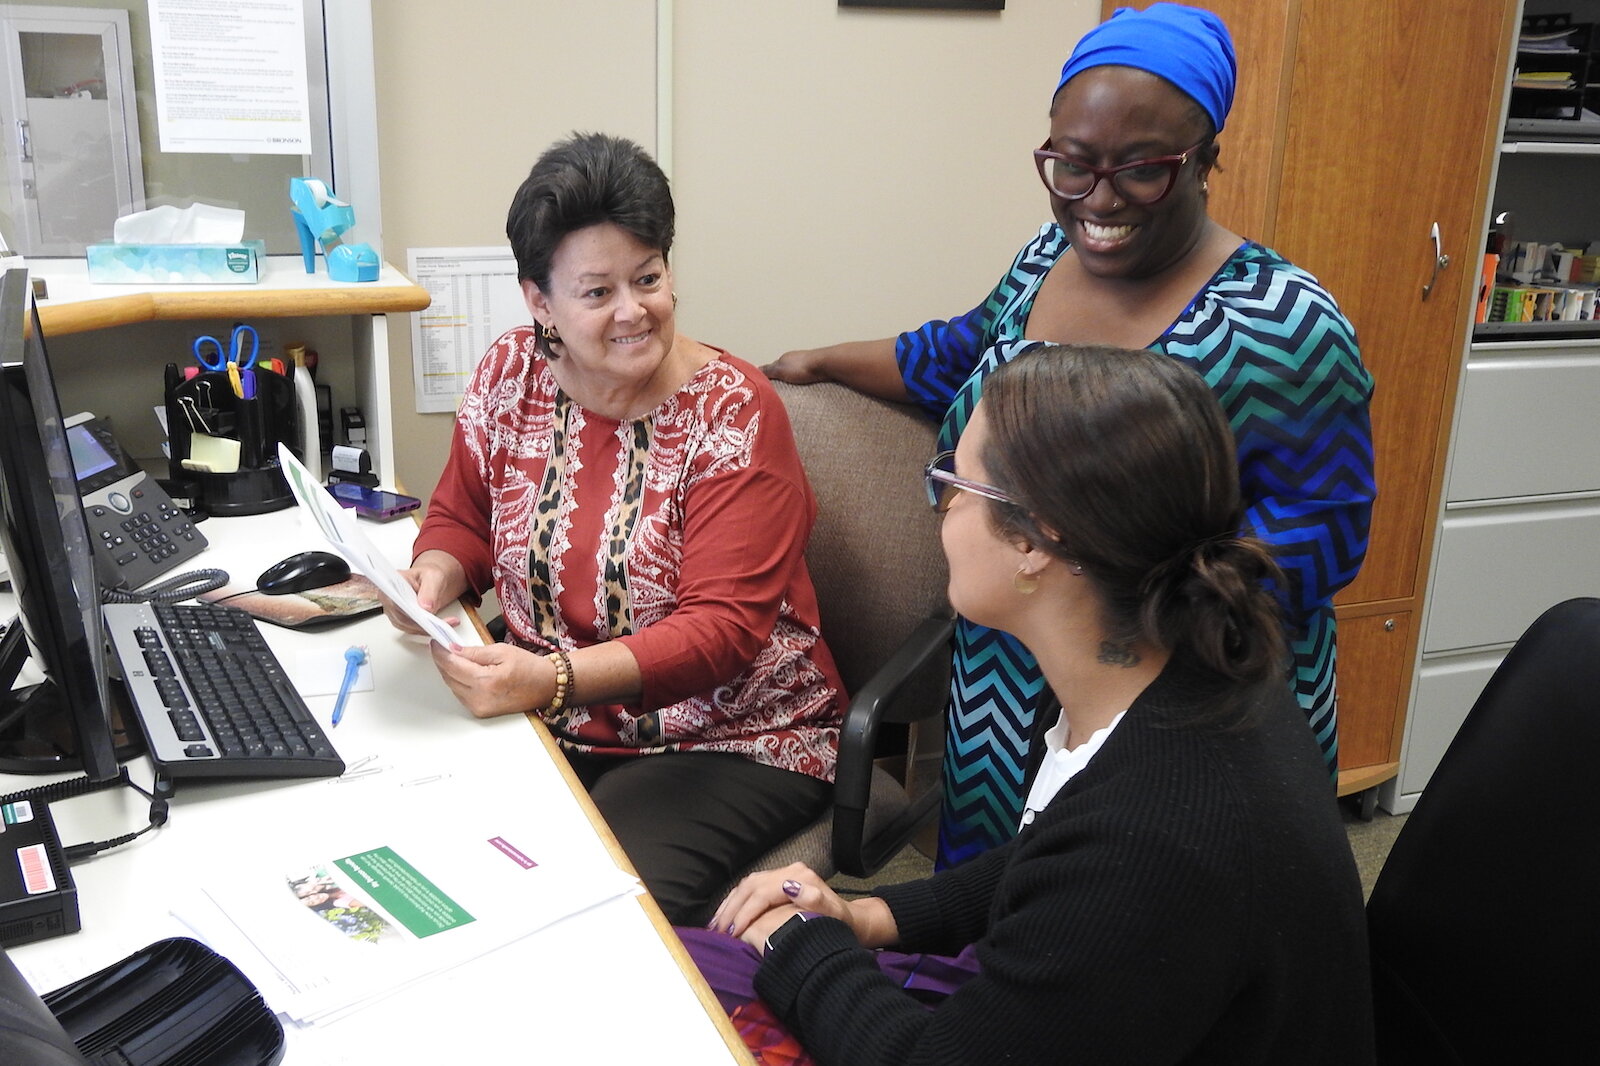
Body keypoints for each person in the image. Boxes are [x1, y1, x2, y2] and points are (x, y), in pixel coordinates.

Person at [766, 2, 1376, 869]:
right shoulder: (1042, 262)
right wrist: (820, 359)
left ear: (1207, 157)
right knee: (992, 917)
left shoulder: (1282, 323)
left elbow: (1327, 527)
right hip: (1006, 680)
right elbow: (956, 352)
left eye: (1140, 170)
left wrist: (1126, 622)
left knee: (1130, 932)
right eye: (1071, 165)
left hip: (1177, 697)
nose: (1097, 200)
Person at [683, 343, 1376, 1066]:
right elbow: (1054, 849)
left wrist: (801, 944)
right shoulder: (1183, 669)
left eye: (954, 482)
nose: (942, 506)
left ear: (1041, 539)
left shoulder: (1159, 833)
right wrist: (871, 914)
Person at [393, 132, 847, 925]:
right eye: (598, 293)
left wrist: (551, 679)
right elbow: (462, 514)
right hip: (549, 716)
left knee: (598, 916)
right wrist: (434, 572)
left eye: (649, 278)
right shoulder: (510, 373)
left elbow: (721, 633)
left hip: (731, 735)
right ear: (541, 303)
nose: (634, 312)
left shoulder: (733, 414)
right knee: (433, 859)